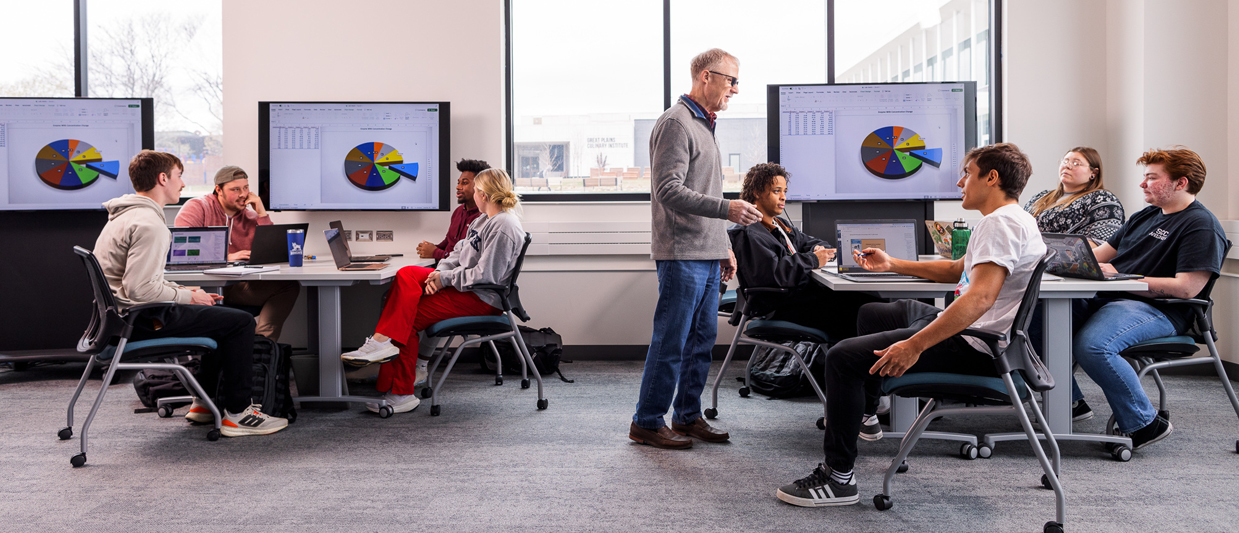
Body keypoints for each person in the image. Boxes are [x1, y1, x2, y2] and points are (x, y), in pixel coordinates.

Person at [776, 143, 1045, 507]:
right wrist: (892, 264)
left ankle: (839, 479)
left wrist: (915, 345)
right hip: (986, 337)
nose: (960, 181)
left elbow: (979, 298)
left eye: (968, 172)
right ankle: (867, 413)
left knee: (842, 358)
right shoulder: (1011, 218)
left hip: (976, 346)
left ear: (991, 178)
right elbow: (955, 270)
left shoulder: (1000, 224)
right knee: (874, 313)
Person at [94, 151, 287, 436]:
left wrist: (182, 290)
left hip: (121, 320)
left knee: (222, 319)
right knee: (241, 323)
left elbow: (138, 283)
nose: (182, 184)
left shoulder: (123, 216)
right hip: (142, 320)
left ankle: (204, 404)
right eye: (179, 176)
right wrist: (189, 297)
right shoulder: (150, 225)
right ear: (163, 179)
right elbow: (140, 290)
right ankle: (237, 414)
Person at [628, 48, 763, 450]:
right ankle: (647, 421)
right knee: (672, 341)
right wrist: (728, 209)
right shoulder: (676, 123)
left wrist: (723, 244)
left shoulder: (705, 125)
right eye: (731, 80)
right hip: (680, 253)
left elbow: (705, 191)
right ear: (707, 76)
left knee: (701, 341)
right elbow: (668, 191)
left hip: (706, 252)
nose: (735, 90)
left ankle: (687, 416)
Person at [1071, 147, 1227, 451]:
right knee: (1041, 319)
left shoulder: (1201, 225)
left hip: (1161, 309)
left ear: (1180, 183)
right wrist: (1059, 258)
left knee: (1094, 346)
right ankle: (1070, 402)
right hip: (1113, 297)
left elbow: (1186, 288)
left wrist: (1120, 278)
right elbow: (1097, 257)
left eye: (1152, 178)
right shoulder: (1146, 215)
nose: (1143, 184)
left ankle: (1144, 424)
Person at [339, 168, 527, 415]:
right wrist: (436, 275)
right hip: (464, 288)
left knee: (409, 317)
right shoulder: (482, 220)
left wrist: (444, 279)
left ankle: (401, 393)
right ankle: (380, 343)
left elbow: (486, 275)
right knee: (406, 274)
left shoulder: (504, 225)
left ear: (482, 194)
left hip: (482, 298)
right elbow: (456, 254)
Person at [728, 162, 884, 439]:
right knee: (860, 313)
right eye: (776, 191)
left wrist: (816, 249)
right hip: (777, 307)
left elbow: (807, 241)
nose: (783, 197)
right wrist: (813, 259)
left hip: (796, 299)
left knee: (869, 304)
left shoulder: (779, 225)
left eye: (784, 191)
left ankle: (864, 398)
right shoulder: (748, 232)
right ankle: (858, 405)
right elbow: (773, 276)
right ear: (756, 193)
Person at [1022, 147, 1124, 421]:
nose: (1067, 165)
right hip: (1036, 276)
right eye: (1065, 161)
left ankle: (1070, 400)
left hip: (1075, 285)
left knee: (1030, 321)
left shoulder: (1102, 199)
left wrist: (1047, 252)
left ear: (1094, 172)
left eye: (1076, 162)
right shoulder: (1041, 198)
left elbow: (1100, 244)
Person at [174, 166, 299, 341]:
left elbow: (271, 251)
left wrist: (261, 212)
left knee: (289, 285)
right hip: (204, 286)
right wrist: (226, 257)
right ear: (218, 189)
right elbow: (182, 250)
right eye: (235, 189)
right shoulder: (197, 207)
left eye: (246, 188)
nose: (243, 194)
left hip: (237, 285)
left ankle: (262, 344)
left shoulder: (250, 216)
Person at [416, 159, 488, 262]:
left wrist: (435, 252)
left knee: (406, 273)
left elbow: (467, 259)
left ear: (480, 186)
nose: (458, 187)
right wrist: (430, 248)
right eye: (458, 183)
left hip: (454, 272)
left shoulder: (484, 218)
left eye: (465, 183)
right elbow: (448, 243)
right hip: (444, 267)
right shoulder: (458, 211)